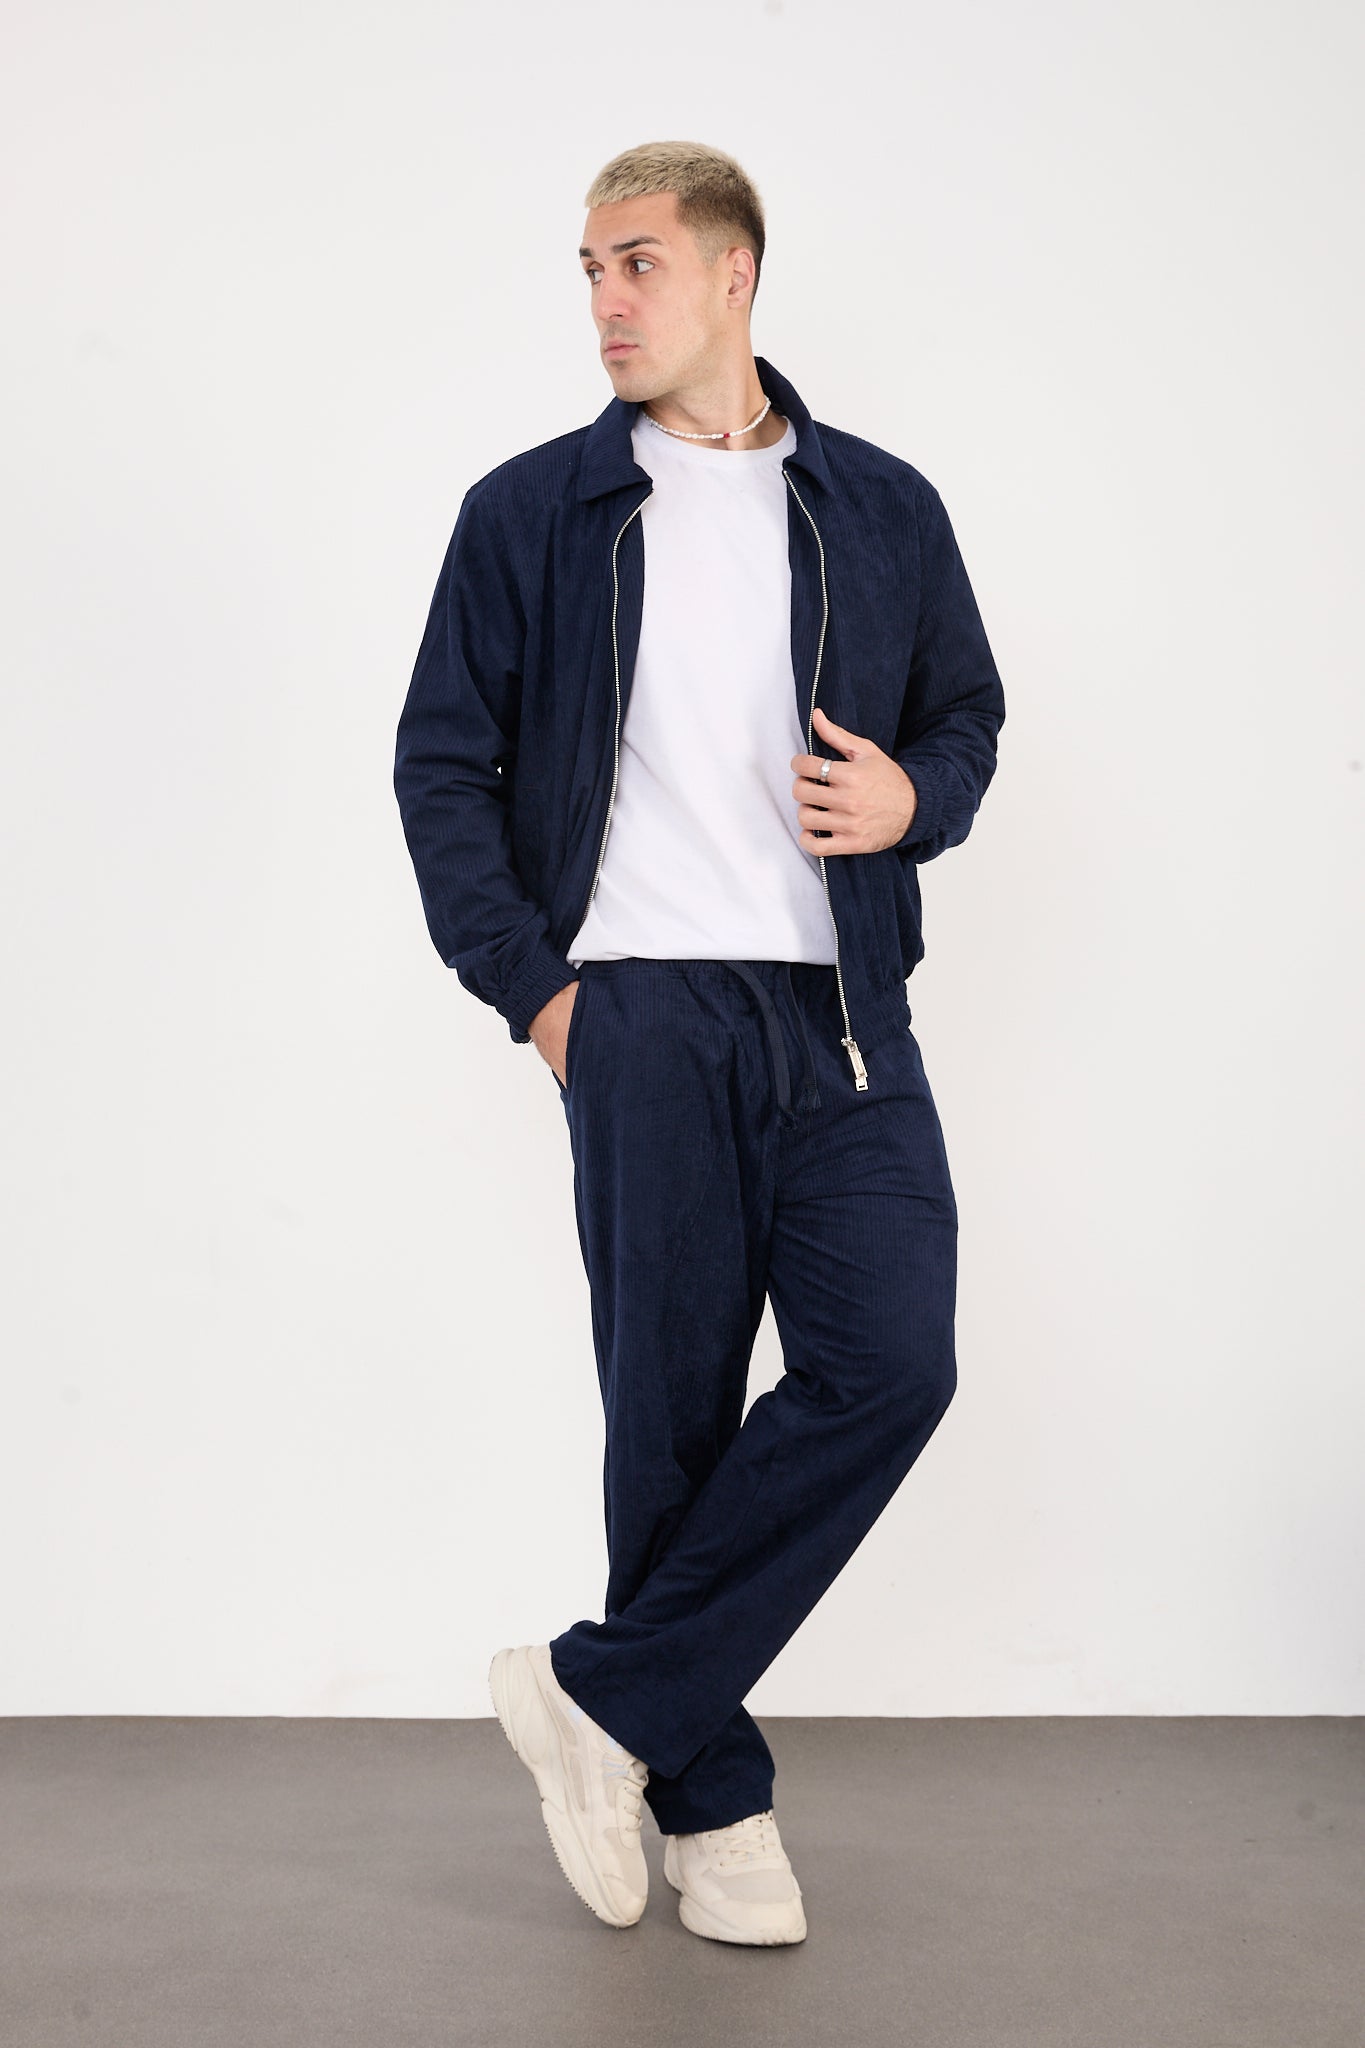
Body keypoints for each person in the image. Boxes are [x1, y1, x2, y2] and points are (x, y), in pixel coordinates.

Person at [394, 139, 1006, 1946]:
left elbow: (965, 715)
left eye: (637, 264)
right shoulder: (532, 511)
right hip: (640, 1010)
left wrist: (913, 799)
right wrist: (541, 994)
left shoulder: (878, 505)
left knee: (891, 1362)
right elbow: (441, 766)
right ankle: (714, 1809)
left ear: (733, 275)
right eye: (588, 269)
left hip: (842, 1012)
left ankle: (597, 1701)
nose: (603, 301)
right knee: (665, 1416)